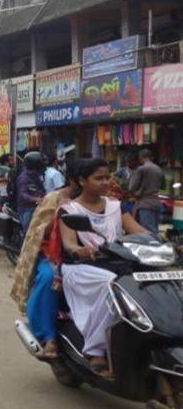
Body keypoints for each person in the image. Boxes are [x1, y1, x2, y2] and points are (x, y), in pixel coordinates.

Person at [59, 158, 146, 376]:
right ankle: (96, 349)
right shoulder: (69, 209)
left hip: (117, 263)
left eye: (107, 177)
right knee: (114, 286)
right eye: (99, 178)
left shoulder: (117, 206)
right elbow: (68, 242)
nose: (105, 182)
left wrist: (164, 243)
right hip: (81, 267)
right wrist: (78, 250)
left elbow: (139, 231)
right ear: (82, 180)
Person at [11, 159, 79, 358]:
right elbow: (37, 230)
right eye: (98, 178)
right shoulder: (55, 198)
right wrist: (60, 215)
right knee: (50, 278)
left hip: (94, 256)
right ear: (77, 179)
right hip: (53, 254)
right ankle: (47, 335)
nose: (104, 183)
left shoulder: (107, 201)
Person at [129, 149, 165, 235]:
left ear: (141, 157)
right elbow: (162, 186)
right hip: (156, 202)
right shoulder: (159, 169)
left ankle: (152, 247)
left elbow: (131, 187)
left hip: (145, 203)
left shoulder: (141, 169)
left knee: (147, 231)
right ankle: (157, 246)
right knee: (155, 230)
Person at [16, 151, 46, 234]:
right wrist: (35, 199)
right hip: (27, 209)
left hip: (37, 208)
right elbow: (22, 194)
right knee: (29, 233)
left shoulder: (36, 176)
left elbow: (41, 190)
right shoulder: (24, 178)